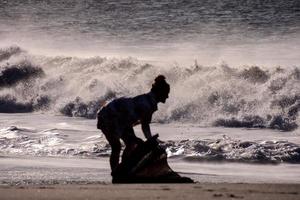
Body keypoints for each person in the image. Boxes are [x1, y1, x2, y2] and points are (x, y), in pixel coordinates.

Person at [97, 75, 170, 172]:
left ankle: (124, 170)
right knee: (116, 147)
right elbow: (145, 126)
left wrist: (149, 140)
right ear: (160, 93)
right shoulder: (147, 104)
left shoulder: (149, 101)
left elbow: (143, 124)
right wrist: (149, 140)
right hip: (109, 115)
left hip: (121, 119)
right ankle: (116, 172)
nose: (167, 96)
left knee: (132, 144)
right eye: (166, 93)